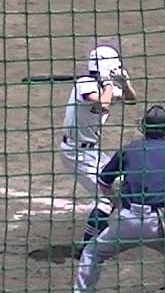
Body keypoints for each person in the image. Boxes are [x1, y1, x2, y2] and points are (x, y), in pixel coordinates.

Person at [72, 105, 165, 293]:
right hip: (158, 225)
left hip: (126, 222)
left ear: (144, 127)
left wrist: (118, 205)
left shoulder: (128, 150)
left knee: (92, 252)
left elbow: (104, 182)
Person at [59, 41, 138, 251]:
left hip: (91, 151)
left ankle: (107, 229)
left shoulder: (103, 87)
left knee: (121, 184)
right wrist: (109, 83)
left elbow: (132, 99)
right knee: (105, 197)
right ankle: (87, 246)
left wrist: (125, 83)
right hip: (75, 152)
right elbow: (102, 103)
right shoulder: (84, 84)